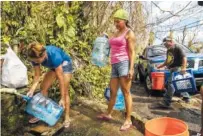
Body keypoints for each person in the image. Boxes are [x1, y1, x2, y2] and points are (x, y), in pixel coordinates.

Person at [97, 9, 136, 131]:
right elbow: (109, 44)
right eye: (114, 21)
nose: (116, 24)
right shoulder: (115, 33)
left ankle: (128, 120)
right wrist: (105, 37)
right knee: (113, 92)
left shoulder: (129, 33)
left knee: (126, 92)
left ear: (124, 21)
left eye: (118, 21)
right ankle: (108, 114)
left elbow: (132, 52)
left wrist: (131, 68)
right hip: (114, 65)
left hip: (124, 64)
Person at [27, 42, 73, 128]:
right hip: (54, 66)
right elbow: (37, 75)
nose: (35, 62)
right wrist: (32, 90)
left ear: (44, 55)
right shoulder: (34, 57)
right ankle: (42, 113)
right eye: (34, 61)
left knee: (65, 92)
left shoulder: (53, 54)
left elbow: (60, 78)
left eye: (37, 61)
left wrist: (62, 98)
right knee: (43, 88)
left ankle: (67, 117)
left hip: (65, 64)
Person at [149, 37, 190, 109]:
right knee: (177, 83)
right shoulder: (168, 51)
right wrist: (160, 66)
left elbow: (184, 57)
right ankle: (186, 97)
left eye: (165, 42)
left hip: (178, 68)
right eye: (163, 43)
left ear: (170, 41)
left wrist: (183, 68)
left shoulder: (177, 47)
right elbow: (167, 61)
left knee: (171, 84)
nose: (164, 44)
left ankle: (166, 102)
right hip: (172, 69)